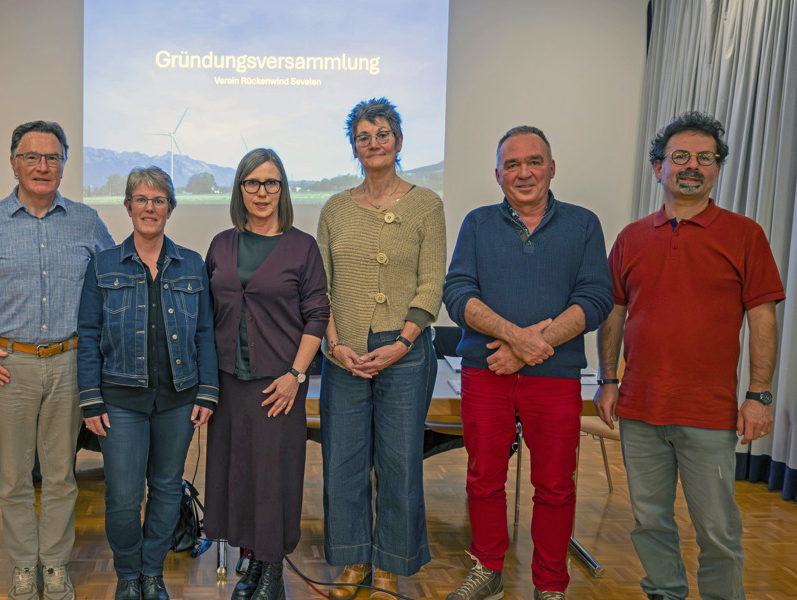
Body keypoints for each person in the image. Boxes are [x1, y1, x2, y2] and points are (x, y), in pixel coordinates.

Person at [595, 111, 784, 600]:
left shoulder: (745, 235)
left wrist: (759, 394)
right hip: (640, 409)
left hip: (709, 411)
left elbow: (762, 318)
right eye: (680, 156)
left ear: (718, 169)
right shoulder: (631, 238)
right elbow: (614, 314)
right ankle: (665, 592)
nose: (692, 166)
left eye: (705, 158)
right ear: (658, 167)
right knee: (650, 522)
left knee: (718, 531)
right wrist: (607, 380)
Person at [0, 121, 113, 600]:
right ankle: (23, 564)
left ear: (64, 162)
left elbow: (115, 283)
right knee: (15, 475)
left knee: (60, 473)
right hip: (8, 366)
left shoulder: (85, 221)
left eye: (53, 157)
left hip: (69, 362)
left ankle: (54, 564)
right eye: (32, 157)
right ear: (13, 161)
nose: (43, 166)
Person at [442, 125, 612, 600]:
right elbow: (457, 294)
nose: (524, 172)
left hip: (554, 378)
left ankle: (550, 585)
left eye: (533, 161)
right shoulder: (477, 223)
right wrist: (516, 339)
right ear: (498, 175)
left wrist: (533, 346)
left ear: (551, 168)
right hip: (486, 372)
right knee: (483, 478)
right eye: (512, 164)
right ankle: (489, 570)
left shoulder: (584, 224)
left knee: (556, 485)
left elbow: (596, 298)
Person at [317, 98, 446, 600]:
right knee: (343, 462)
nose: (374, 143)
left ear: (398, 141)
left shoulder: (426, 205)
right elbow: (319, 287)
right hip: (343, 353)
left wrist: (403, 342)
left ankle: (391, 564)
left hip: (406, 353)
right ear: (354, 146)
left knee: (398, 462)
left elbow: (432, 282)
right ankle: (352, 562)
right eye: (364, 136)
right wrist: (333, 343)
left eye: (383, 134)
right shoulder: (335, 208)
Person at [77, 166, 218, 600]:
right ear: (128, 207)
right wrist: (90, 399)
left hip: (178, 400)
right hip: (120, 401)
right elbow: (87, 335)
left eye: (158, 200)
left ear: (170, 208)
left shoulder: (192, 264)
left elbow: (205, 335)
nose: (149, 208)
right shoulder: (102, 266)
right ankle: (128, 575)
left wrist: (208, 391)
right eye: (141, 199)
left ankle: (152, 572)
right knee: (122, 496)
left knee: (165, 488)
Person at [204, 149, 330, 600]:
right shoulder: (221, 244)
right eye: (252, 183)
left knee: (274, 479)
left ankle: (272, 573)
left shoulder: (302, 247)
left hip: (279, 386)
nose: (262, 192)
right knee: (237, 476)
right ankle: (252, 564)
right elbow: (207, 315)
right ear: (240, 189)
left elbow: (317, 316)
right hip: (228, 385)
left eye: (271, 182)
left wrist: (296, 375)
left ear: (283, 189)